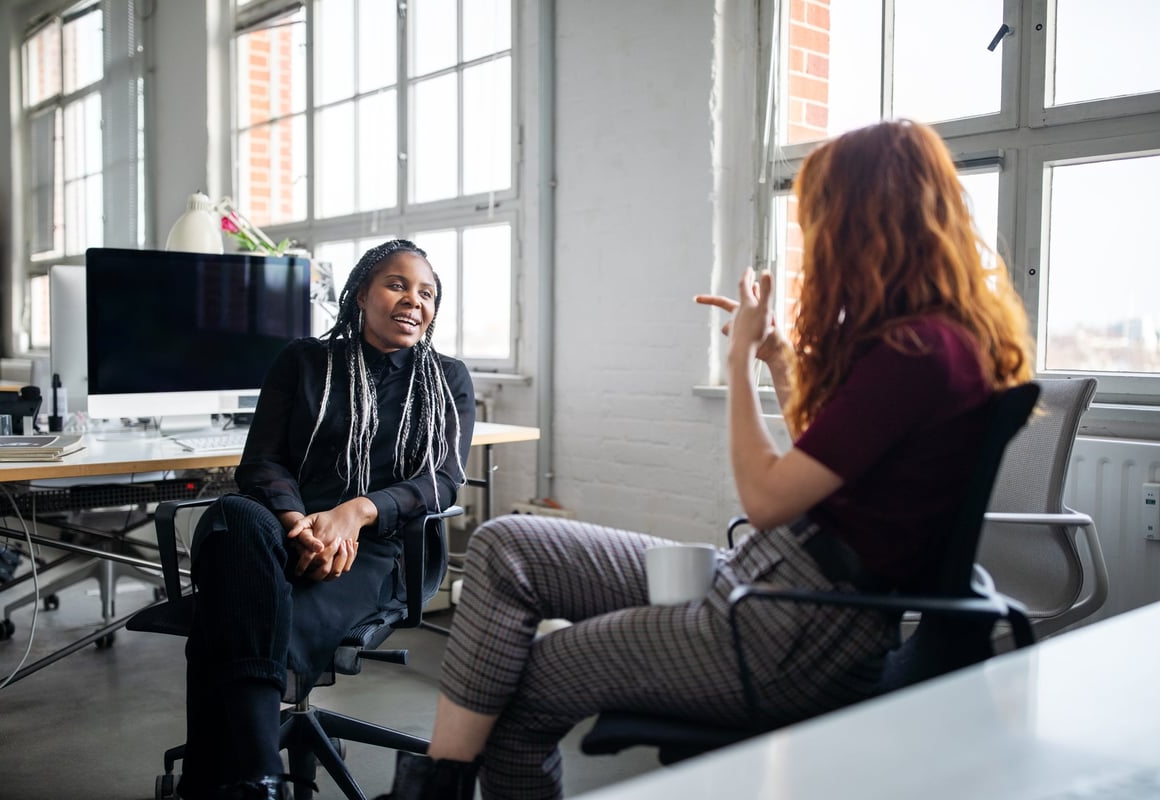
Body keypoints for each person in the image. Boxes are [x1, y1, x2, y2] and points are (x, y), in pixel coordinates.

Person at [375, 119, 1034, 800]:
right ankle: (440, 785)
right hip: (771, 585)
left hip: (788, 628)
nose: (815, 237)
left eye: (820, 219)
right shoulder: (934, 342)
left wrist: (739, 362)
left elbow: (769, 499)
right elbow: (833, 461)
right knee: (506, 544)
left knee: (528, 687)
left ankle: (431, 793)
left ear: (867, 220)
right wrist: (778, 362)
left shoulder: (917, 352)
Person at [177, 239, 475, 800]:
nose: (414, 300)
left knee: (234, 613)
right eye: (397, 284)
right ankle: (261, 770)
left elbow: (443, 478)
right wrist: (300, 523)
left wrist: (356, 513)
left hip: (382, 549)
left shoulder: (447, 380)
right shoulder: (304, 361)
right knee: (233, 516)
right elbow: (262, 461)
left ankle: (244, 776)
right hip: (285, 534)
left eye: (427, 293)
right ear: (361, 292)